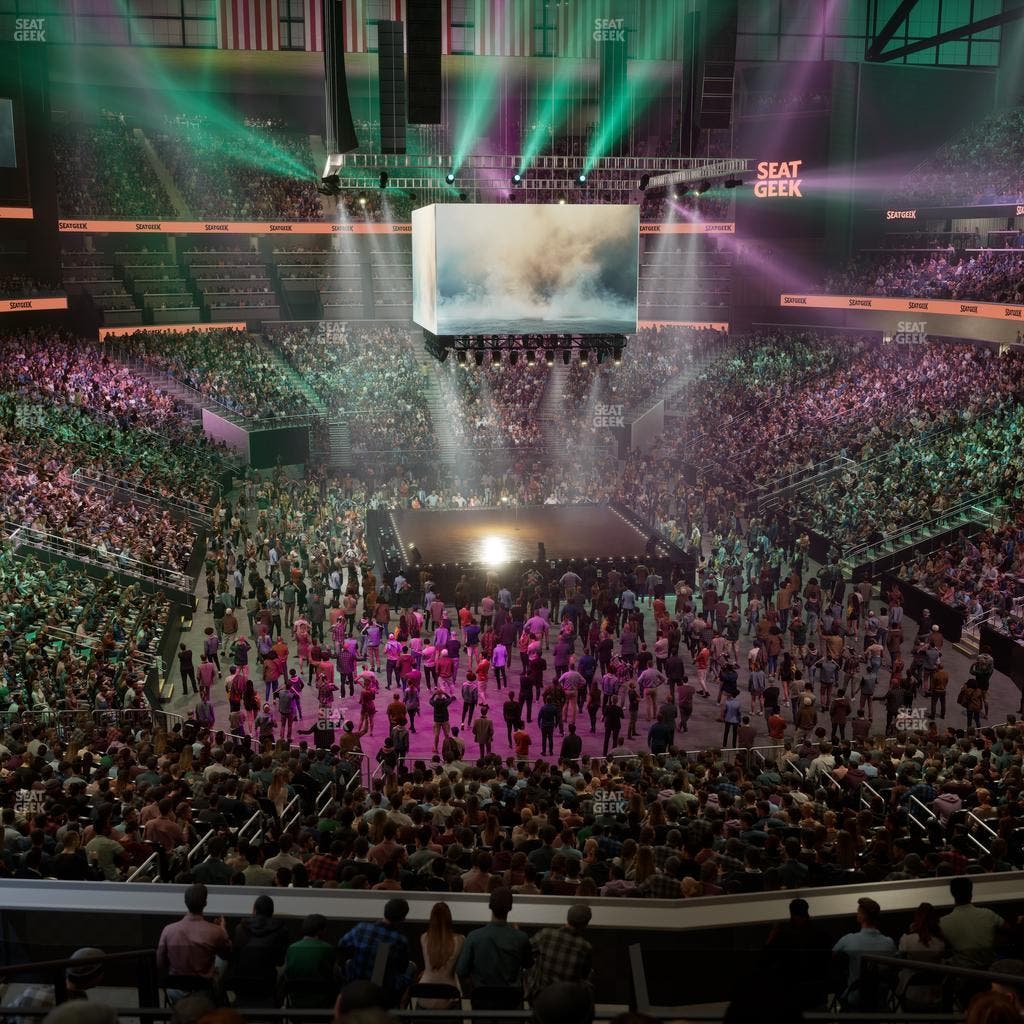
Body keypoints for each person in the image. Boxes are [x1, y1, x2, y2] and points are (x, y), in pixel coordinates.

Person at [456, 887, 533, 1006]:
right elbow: (528, 965)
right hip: (511, 1003)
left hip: (482, 1003)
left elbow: (461, 971)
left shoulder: (474, 937)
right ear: (510, 908)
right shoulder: (521, 937)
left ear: (490, 906)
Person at [338, 898, 415, 1008]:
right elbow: (401, 968)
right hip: (383, 989)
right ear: (402, 919)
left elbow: (342, 945)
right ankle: (401, 1008)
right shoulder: (400, 940)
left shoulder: (361, 928)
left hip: (357, 981)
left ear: (385, 911)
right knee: (411, 967)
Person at [156, 883, 231, 990]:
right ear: (205, 903)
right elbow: (226, 954)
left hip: (175, 989)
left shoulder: (168, 930)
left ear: (185, 902)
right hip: (203, 989)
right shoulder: (216, 931)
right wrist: (223, 930)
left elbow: (160, 963)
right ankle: (219, 995)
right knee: (221, 961)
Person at [763, 899, 831, 1010]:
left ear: (791, 913)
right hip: (817, 992)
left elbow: (766, 958)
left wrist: (770, 938)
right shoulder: (821, 932)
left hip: (792, 993)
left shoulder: (783, 934)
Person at [832, 897, 896, 1009]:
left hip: (855, 1001)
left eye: (858, 912)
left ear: (862, 917)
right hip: (880, 1001)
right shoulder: (889, 943)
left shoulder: (849, 940)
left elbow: (832, 956)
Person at [527, 904, 593, 1003]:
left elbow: (527, 950)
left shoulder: (546, 934)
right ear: (585, 924)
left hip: (540, 997)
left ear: (567, 917)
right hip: (565, 1001)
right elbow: (584, 975)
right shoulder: (585, 947)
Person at [941, 877, 1005, 969]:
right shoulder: (988, 914)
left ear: (952, 894)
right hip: (989, 969)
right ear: (971, 893)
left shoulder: (943, 922)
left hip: (963, 972)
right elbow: (1008, 929)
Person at [417, 901, 465, 1009]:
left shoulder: (423, 938)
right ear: (449, 919)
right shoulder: (461, 940)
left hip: (424, 996)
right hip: (448, 999)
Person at [283, 914, 336, 1009]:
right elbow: (331, 974)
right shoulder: (328, 949)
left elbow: (288, 974)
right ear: (321, 931)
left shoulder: (291, 948)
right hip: (322, 1004)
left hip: (295, 1003)